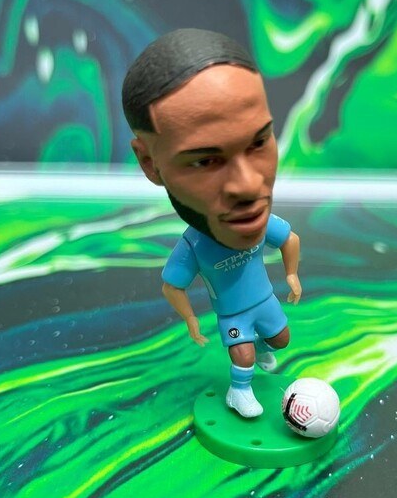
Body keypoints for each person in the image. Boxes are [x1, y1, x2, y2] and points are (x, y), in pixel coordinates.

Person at [122, 28, 302, 418]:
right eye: (205, 161)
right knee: (242, 354)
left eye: (259, 142)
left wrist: (291, 275)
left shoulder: (261, 222)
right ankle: (239, 392)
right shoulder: (194, 247)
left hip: (265, 301)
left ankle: (262, 351)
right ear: (150, 163)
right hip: (233, 314)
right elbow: (172, 284)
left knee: (281, 340)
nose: (248, 186)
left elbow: (290, 238)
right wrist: (190, 319)